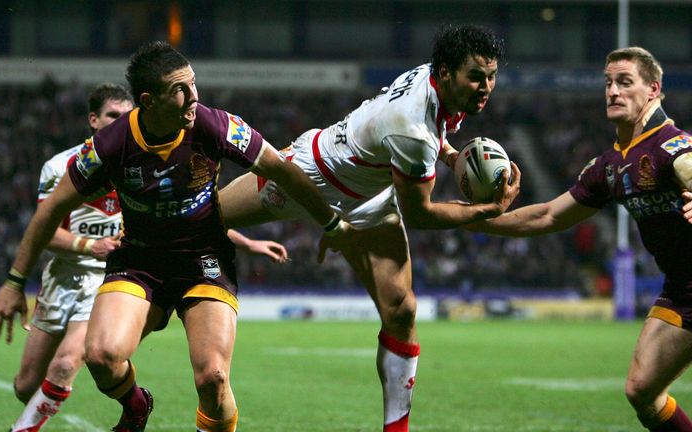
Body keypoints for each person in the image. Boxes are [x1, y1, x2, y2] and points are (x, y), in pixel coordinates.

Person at [0, 41, 354, 432]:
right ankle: (136, 404)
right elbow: (51, 209)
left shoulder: (216, 125)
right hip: (139, 262)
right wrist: (14, 282)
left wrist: (331, 223)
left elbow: (283, 170)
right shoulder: (111, 145)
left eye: (194, 84)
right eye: (181, 89)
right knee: (101, 357)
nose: (194, 97)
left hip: (203, 260)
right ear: (150, 101)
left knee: (212, 377)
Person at [218, 24, 521, 431]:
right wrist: (485, 211)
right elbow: (421, 215)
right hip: (310, 174)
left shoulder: (437, 84)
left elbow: (438, 133)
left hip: (371, 195)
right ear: (446, 72)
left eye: (491, 76)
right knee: (205, 215)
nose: (486, 87)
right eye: (476, 77)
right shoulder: (412, 129)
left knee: (402, 310)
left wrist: (451, 158)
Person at [468, 47, 692, 431]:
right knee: (641, 390)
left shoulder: (672, 146)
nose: (613, 92)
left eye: (625, 82)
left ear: (653, 89)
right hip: (682, 289)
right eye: (608, 83)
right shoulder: (610, 166)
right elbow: (548, 215)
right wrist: (473, 219)